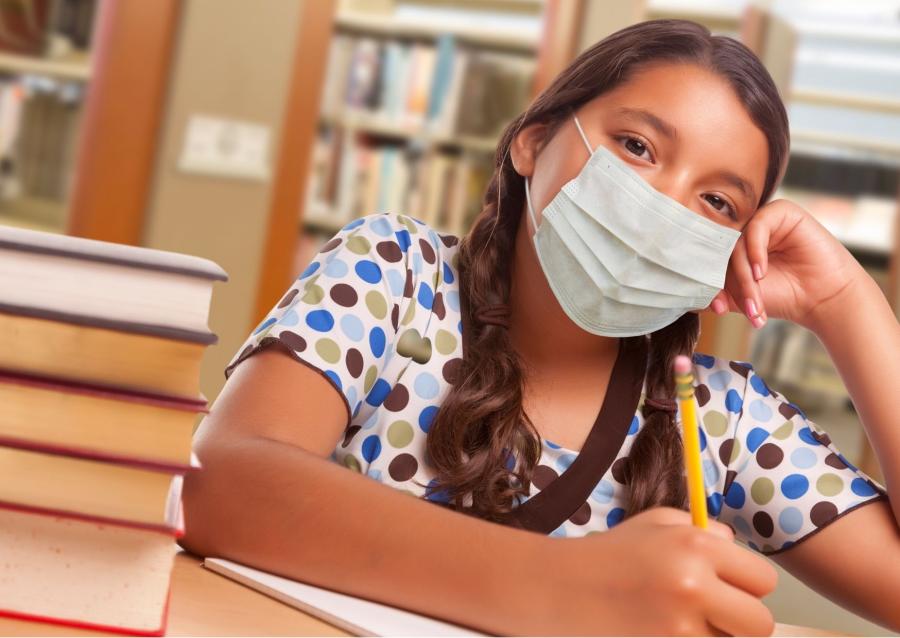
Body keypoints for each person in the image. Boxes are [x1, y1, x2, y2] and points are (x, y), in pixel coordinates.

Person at [178, 18, 900, 636]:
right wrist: (560, 586)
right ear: (534, 141)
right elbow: (223, 481)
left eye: (716, 201)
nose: (663, 208)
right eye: (638, 148)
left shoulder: (719, 418)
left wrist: (847, 304)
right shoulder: (394, 274)